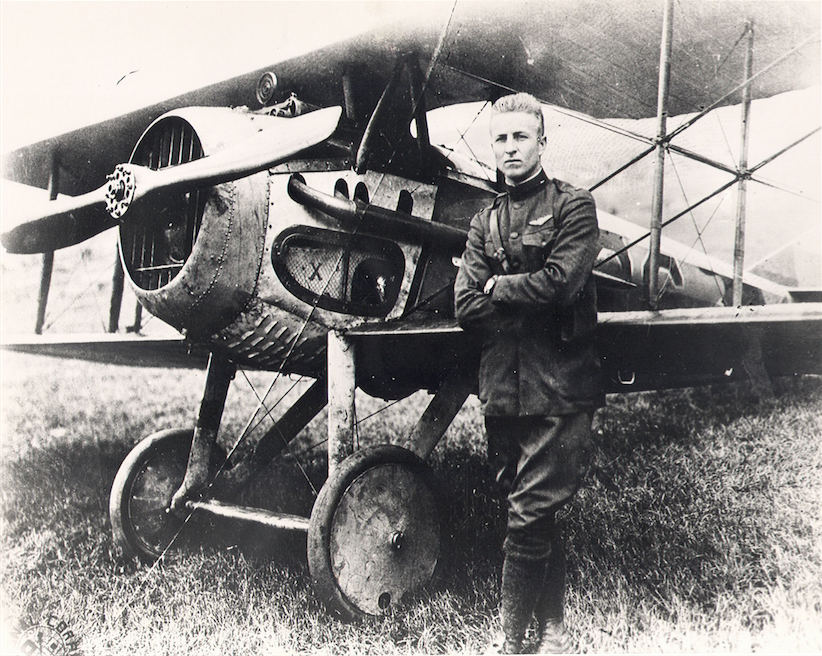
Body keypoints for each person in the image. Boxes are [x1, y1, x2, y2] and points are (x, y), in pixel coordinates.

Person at [454, 92, 604, 654]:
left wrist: (499, 286)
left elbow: (563, 282)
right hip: (503, 391)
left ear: (543, 140)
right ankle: (554, 629)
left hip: (559, 385)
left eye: (521, 136)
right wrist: (514, 292)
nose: (510, 148)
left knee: (527, 514)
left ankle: (510, 643)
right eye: (500, 139)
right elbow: (464, 306)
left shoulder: (574, 208)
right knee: (530, 508)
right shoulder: (483, 220)